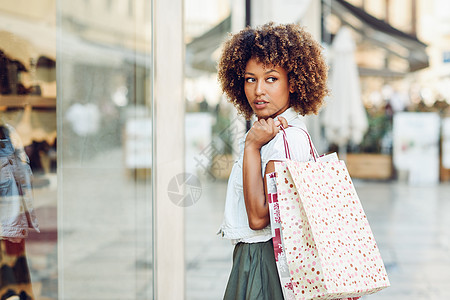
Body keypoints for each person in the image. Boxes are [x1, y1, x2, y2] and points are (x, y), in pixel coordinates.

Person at [217, 23, 328, 299]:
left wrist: (252, 146)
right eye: (250, 79)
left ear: (293, 82)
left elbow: (258, 217)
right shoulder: (276, 132)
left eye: (271, 79)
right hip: (259, 261)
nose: (258, 91)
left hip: (265, 264)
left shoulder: (283, 140)